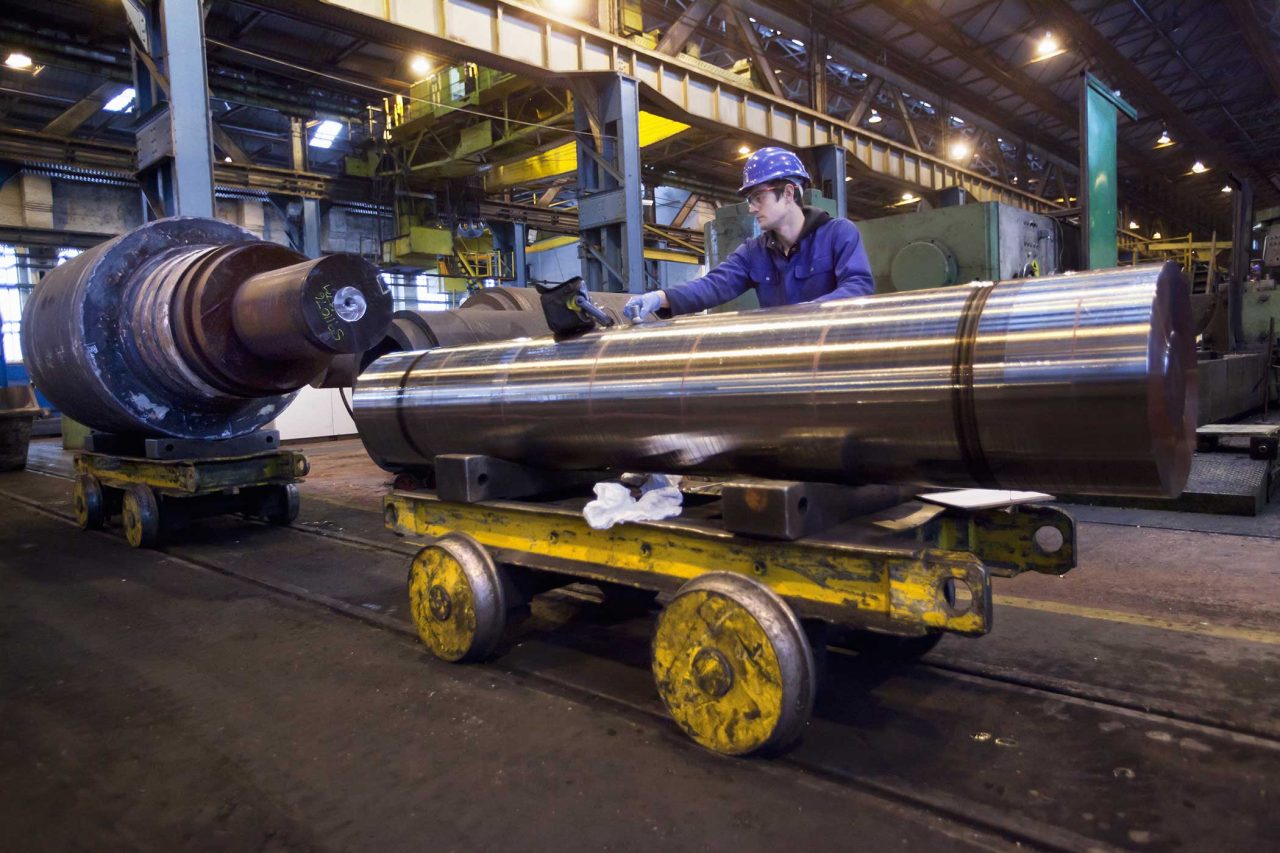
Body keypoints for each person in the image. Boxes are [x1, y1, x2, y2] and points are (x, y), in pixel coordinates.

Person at [624, 147, 875, 322]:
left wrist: (810, 312)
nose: (751, 207)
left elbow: (859, 287)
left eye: (758, 197)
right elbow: (713, 286)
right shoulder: (754, 252)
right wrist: (660, 297)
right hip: (785, 358)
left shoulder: (837, 234)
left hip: (835, 357)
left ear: (788, 193)